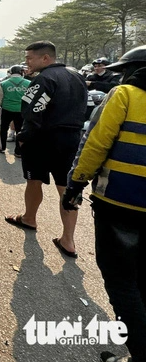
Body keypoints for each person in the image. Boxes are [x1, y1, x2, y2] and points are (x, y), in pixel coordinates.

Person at [62, 46, 146, 362]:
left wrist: (75, 184)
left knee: (122, 281)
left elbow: (96, 143)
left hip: (122, 203)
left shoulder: (125, 94)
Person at [5, 41, 88, 258]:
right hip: (71, 140)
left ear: (45, 58)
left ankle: (29, 218)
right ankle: (68, 240)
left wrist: (23, 137)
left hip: (42, 140)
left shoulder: (43, 79)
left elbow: (33, 112)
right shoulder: (78, 77)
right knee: (67, 188)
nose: (27, 63)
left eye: (29, 58)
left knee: (34, 181)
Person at [0, 65, 30, 157]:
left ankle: (1, 147)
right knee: (20, 130)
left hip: (6, 109)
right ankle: (18, 151)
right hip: (21, 110)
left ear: (10, 73)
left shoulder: (3, 83)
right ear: (21, 72)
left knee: (3, 129)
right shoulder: (28, 83)